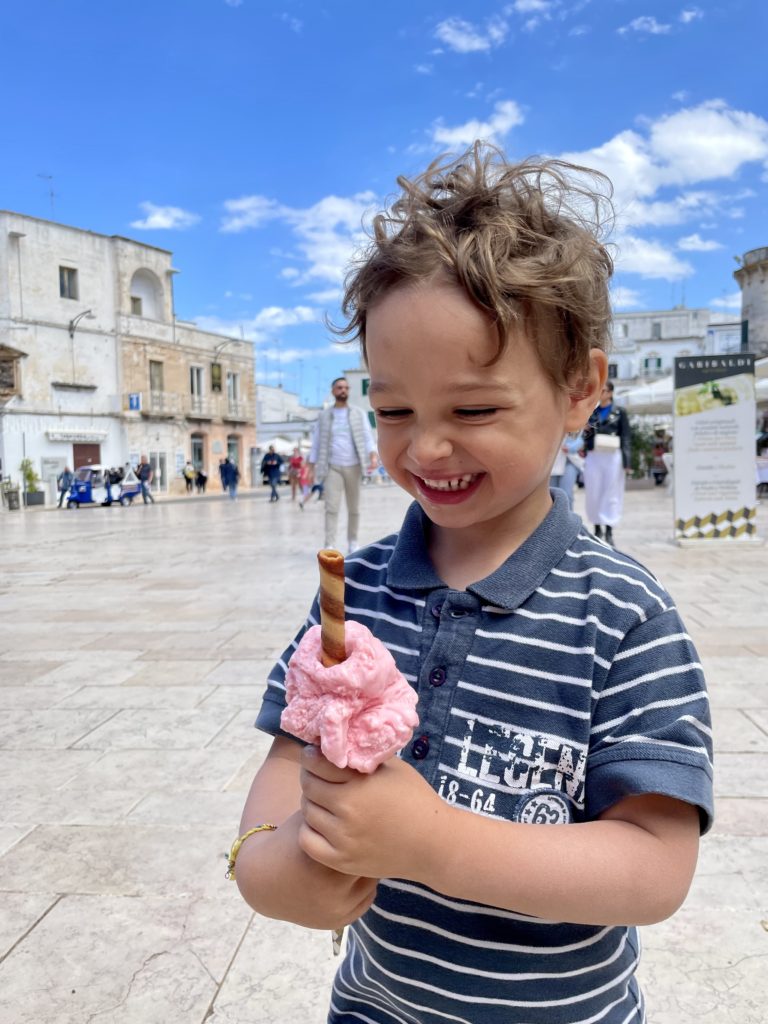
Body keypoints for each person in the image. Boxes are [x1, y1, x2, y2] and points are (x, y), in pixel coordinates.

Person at [233, 146, 713, 1024]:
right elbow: (277, 790)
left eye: (475, 409)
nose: (425, 450)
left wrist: (438, 844)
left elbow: (655, 868)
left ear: (580, 389)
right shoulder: (357, 597)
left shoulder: (624, 615)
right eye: (392, 412)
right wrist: (280, 874)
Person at [307, 376, 378, 553]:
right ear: (333, 391)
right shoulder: (323, 416)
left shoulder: (358, 413)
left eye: (346, 387)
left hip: (354, 465)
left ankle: (353, 541)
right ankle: (329, 543)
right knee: (331, 507)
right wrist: (310, 466)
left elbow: (367, 436)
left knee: (354, 507)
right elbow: (316, 442)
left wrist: (373, 455)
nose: (343, 390)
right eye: (339, 387)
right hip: (332, 467)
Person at [583, 381, 631, 545]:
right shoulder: (592, 412)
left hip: (613, 455)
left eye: (603, 391)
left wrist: (627, 460)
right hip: (595, 455)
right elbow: (587, 437)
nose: (600, 393)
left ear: (610, 393)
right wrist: (586, 432)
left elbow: (625, 436)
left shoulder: (620, 412)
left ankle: (609, 529)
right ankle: (597, 528)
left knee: (611, 492)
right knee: (594, 491)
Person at [549, 432, 584, 509]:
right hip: (554, 462)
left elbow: (581, 438)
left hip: (570, 461)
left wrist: (570, 447)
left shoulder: (574, 423)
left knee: (566, 494)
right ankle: (554, 518)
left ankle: (567, 518)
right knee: (551, 495)